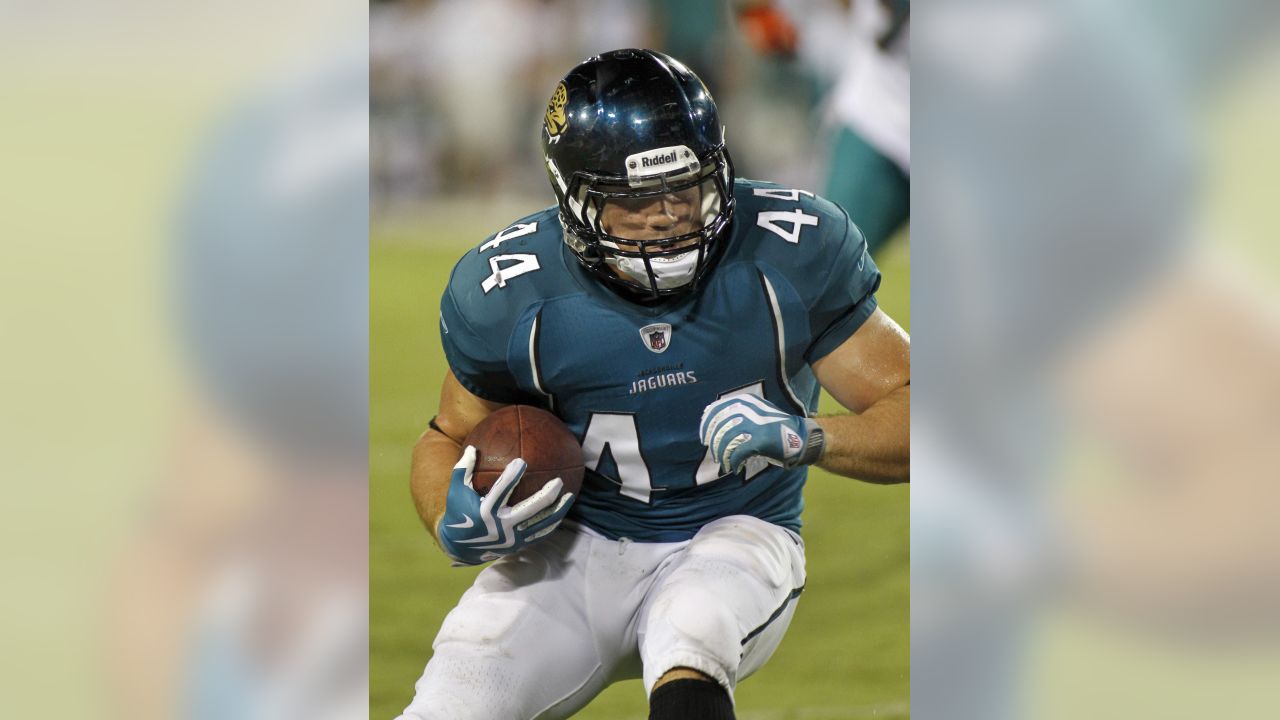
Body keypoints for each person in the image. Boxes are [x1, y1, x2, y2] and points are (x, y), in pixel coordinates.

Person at [397, 48, 910, 720]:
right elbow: (448, 438)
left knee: (693, 629)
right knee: (457, 692)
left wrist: (810, 436)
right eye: (635, 200)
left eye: (686, 187)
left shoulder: (790, 247)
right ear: (574, 199)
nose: (668, 215)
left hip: (738, 530)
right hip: (573, 548)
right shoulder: (507, 293)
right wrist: (451, 517)